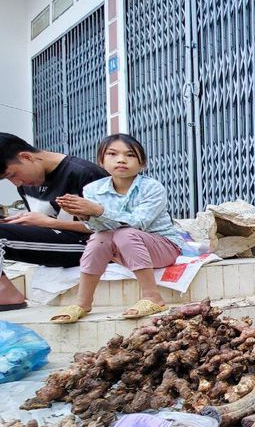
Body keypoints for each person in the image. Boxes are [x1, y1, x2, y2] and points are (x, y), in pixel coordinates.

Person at [50, 134, 185, 323]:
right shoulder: (92, 189)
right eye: (112, 154)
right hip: (123, 249)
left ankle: (153, 297)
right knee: (99, 238)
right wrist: (83, 214)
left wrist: (98, 210)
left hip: (164, 247)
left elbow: (139, 223)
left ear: (142, 163)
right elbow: (96, 227)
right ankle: (83, 303)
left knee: (124, 233)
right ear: (101, 161)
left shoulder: (152, 188)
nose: (121, 160)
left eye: (130, 155)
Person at [0, 133, 108, 311]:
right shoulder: (26, 184)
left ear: (26, 157)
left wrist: (49, 223)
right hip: (57, 242)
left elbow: (116, 227)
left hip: (91, 246)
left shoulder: (85, 174)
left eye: (12, 175)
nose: (16, 182)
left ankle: (6, 294)